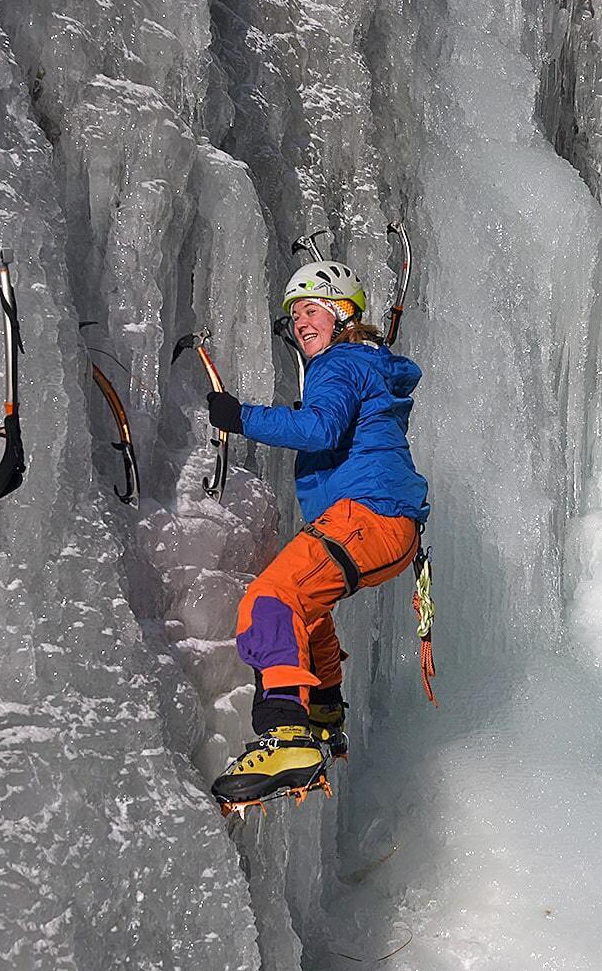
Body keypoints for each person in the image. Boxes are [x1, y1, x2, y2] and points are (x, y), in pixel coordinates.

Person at [205, 259, 430, 806]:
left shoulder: (340, 361)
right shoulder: (364, 364)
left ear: (342, 314)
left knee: (271, 599)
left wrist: (240, 417)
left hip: (367, 516)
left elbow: (319, 428)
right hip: (384, 526)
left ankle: (286, 736)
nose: (301, 321)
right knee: (306, 612)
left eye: (312, 309)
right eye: (295, 315)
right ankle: (325, 714)